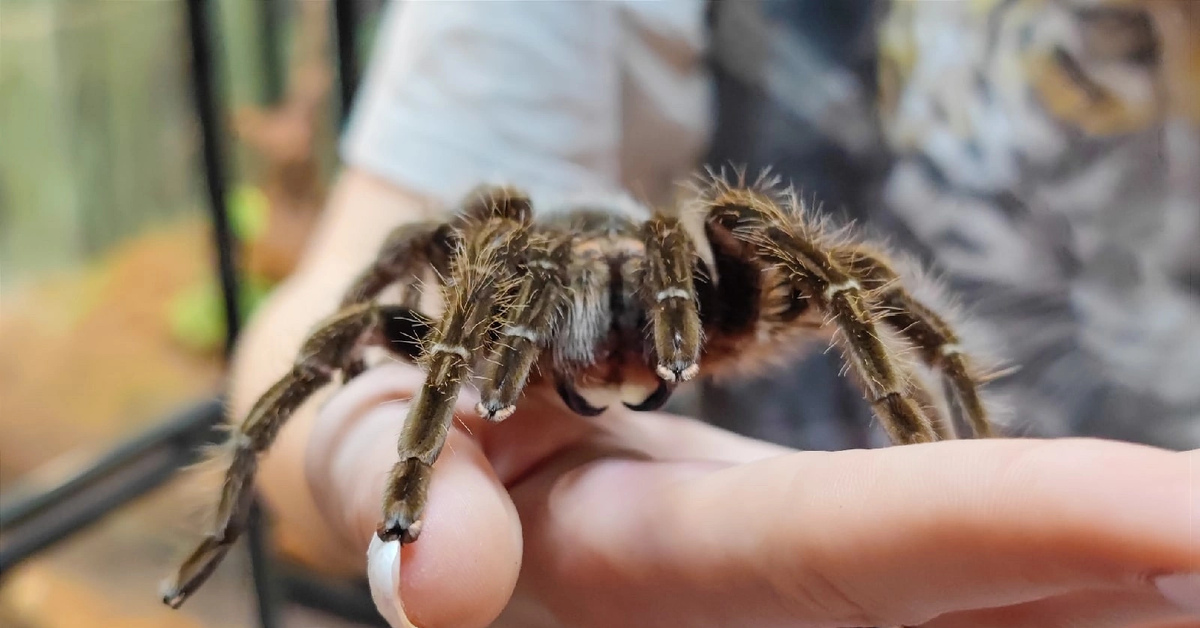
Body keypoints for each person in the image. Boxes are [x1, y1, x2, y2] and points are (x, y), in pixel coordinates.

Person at [230, 3, 1200, 627]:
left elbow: (835, 278)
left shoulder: (705, 274)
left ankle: (942, 456)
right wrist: (363, 458)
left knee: (800, 253)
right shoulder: (511, 256)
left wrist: (949, 454)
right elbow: (344, 289)